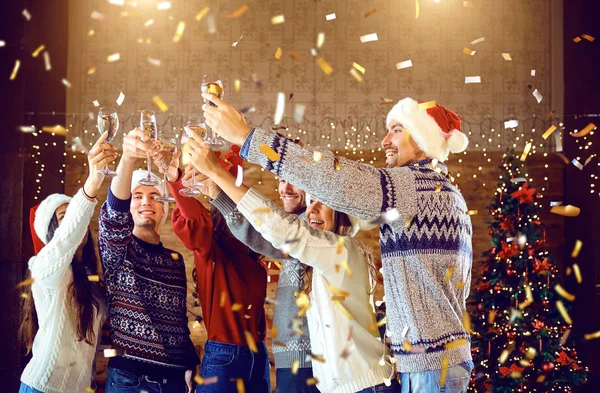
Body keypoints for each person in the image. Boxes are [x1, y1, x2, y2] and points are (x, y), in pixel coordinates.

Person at [200, 93, 475, 393]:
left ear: (424, 138)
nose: (385, 141)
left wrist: (246, 138)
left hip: (429, 365)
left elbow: (331, 179)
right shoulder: (444, 192)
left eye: (396, 129)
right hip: (432, 361)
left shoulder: (411, 186)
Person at [184, 133, 398, 393]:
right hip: (334, 378)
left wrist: (219, 176)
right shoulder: (326, 245)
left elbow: (278, 231)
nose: (312, 211)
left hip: (348, 379)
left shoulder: (335, 248)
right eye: (311, 203)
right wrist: (217, 187)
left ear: (340, 208)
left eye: (321, 201)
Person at [153, 146, 270, 393]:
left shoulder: (256, 253)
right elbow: (193, 218)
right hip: (225, 356)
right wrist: (175, 180)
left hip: (258, 355)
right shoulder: (210, 245)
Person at [98, 128, 199, 393]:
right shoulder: (118, 251)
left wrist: (189, 364)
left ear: (165, 210)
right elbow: (113, 216)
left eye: (155, 196)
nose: (146, 202)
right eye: (137, 196)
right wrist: (128, 158)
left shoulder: (175, 261)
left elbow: (178, 323)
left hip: (174, 381)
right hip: (130, 379)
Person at [18, 133, 116, 393]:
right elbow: (67, 236)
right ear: (52, 232)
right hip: (42, 386)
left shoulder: (89, 276)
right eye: (64, 217)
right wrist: (94, 179)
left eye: (74, 215)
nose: (76, 223)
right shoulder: (43, 267)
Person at [207, 167, 317, 392]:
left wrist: (218, 192)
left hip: (306, 360)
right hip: (296, 358)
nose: (285, 189)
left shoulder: (311, 225)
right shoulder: (298, 224)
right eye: (283, 180)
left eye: (294, 181)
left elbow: (259, 235)